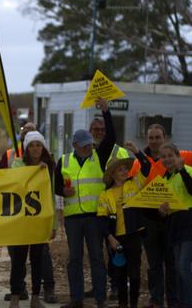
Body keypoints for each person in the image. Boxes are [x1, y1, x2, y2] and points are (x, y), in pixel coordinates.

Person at [129, 123, 192, 308]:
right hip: (158, 221)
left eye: (158, 137)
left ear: (165, 138)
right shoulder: (150, 168)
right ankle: (160, 300)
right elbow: (133, 187)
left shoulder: (185, 167)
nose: (154, 141)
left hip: (186, 223)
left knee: (178, 265)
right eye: (151, 137)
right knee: (157, 265)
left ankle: (179, 301)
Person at [55, 98, 114, 308]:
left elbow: (111, 137)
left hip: (94, 217)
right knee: (75, 260)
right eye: (84, 145)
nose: (89, 147)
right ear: (74, 146)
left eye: (90, 143)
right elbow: (54, 186)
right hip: (72, 219)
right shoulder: (63, 161)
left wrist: (106, 111)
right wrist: (62, 190)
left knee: (97, 259)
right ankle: (76, 299)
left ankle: (100, 300)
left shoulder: (99, 156)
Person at [97, 142, 151, 308]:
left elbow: (147, 167)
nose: (125, 171)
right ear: (112, 174)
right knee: (119, 274)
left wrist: (137, 151)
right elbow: (101, 221)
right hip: (116, 239)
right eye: (120, 170)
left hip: (134, 235)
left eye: (125, 169)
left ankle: (133, 304)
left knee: (134, 274)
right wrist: (110, 238)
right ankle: (122, 304)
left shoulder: (134, 183)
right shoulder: (105, 195)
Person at [8, 131, 57, 308]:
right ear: (26, 148)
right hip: (22, 220)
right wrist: (34, 170)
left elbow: (50, 195)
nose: (35, 149)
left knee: (37, 260)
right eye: (32, 145)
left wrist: (54, 224)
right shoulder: (18, 164)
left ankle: (36, 298)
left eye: (38, 145)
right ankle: (15, 296)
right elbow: (14, 181)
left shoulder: (49, 166)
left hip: (40, 220)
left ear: (42, 147)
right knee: (18, 260)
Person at [86, 116, 133, 300]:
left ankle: (115, 286)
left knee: (114, 250)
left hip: (114, 209)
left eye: (101, 130)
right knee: (95, 252)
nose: (98, 132)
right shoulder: (85, 152)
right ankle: (98, 285)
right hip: (91, 209)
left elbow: (129, 176)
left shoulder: (118, 152)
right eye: (95, 130)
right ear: (90, 132)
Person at [158, 143, 192, 308]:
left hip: (190, 221)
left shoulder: (189, 171)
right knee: (178, 267)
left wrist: (182, 169)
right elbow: (164, 209)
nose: (167, 159)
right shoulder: (164, 179)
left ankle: (189, 303)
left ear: (178, 156)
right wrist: (162, 211)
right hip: (174, 224)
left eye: (170, 155)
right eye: (163, 157)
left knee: (184, 265)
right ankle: (181, 302)